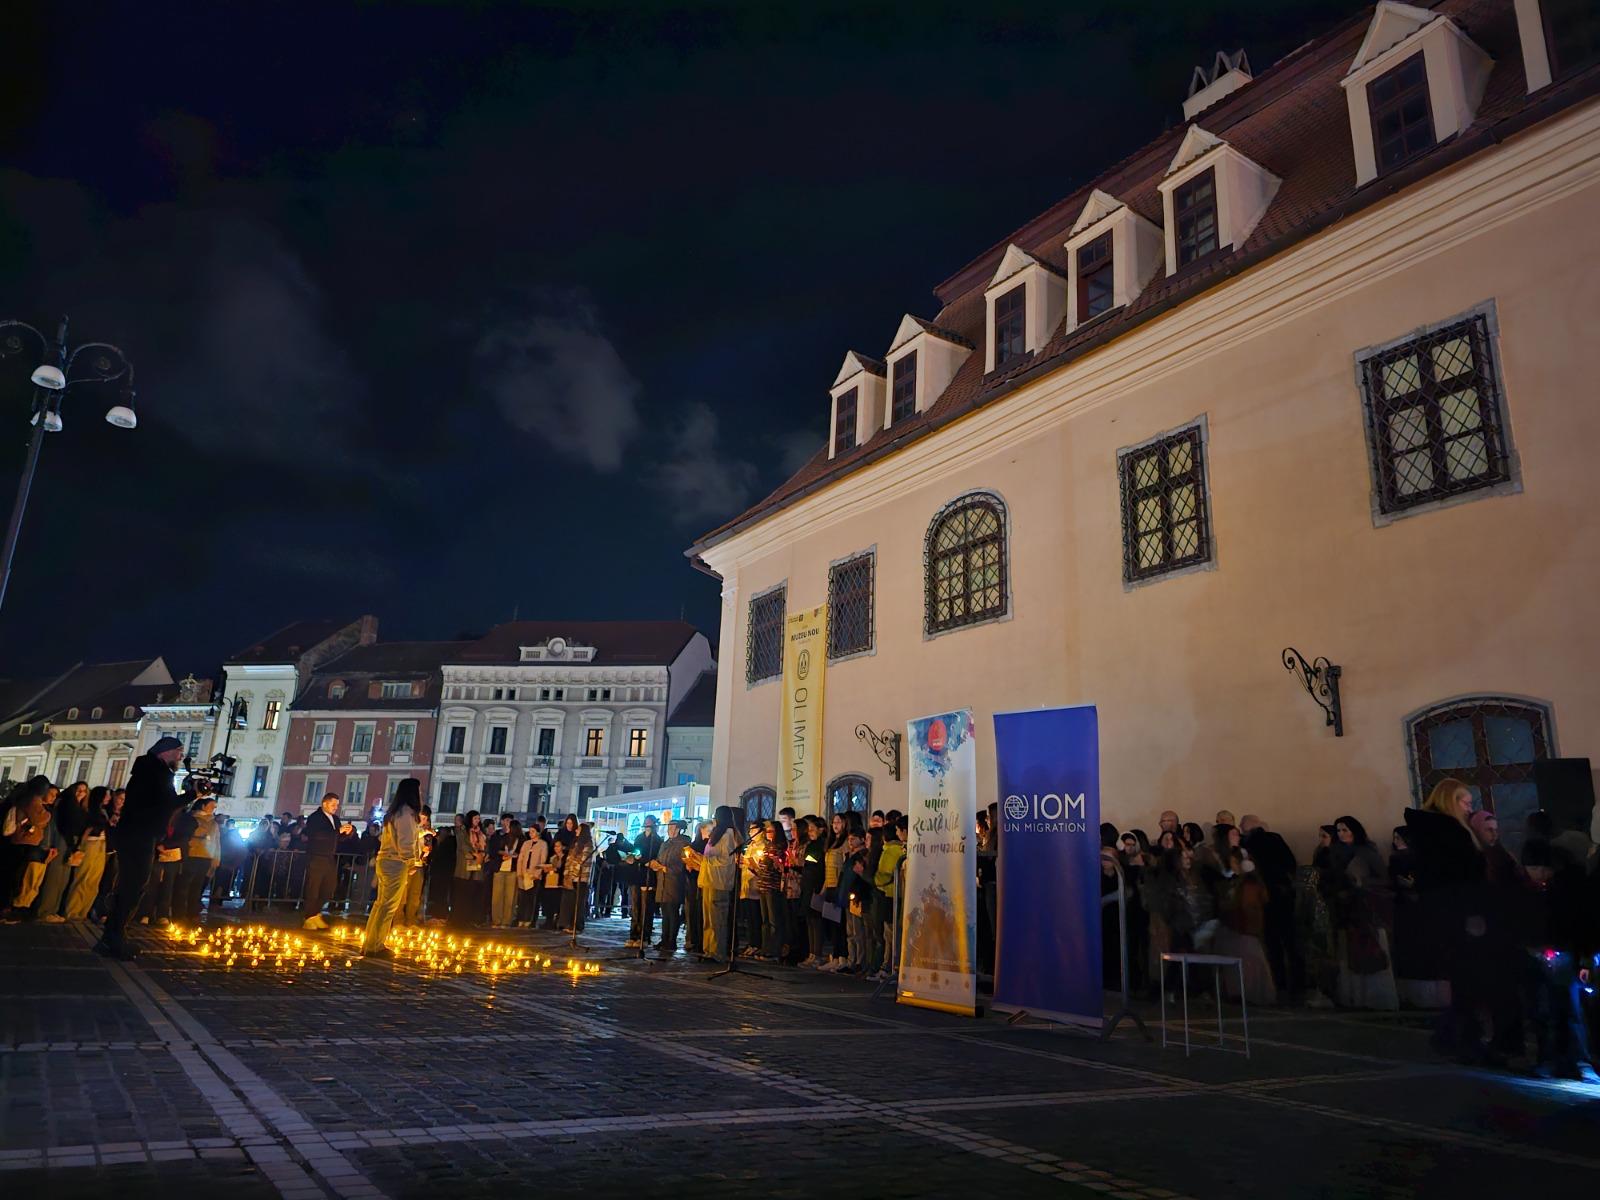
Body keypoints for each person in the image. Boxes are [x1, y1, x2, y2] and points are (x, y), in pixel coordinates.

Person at [96, 737, 185, 958]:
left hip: (137, 833)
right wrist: (193, 794)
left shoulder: (149, 770)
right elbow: (167, 804)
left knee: (131, 886)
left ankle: (112, 936)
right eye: (178, 751)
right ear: (165, 752)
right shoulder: (157, 773)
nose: (180, 757)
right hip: (139, 834)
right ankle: (115, 937)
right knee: (133, 887)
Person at [1328, 816, 1398, 1010]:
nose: (1341, 834)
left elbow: (1383, 878)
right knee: (1348, 951)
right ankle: (1353, 995)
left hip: (1367, 908)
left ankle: (1374, 996)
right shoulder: (1335, 852)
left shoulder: (1366, 852)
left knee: (1368, 948)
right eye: (1338, 830)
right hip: (1344, 908)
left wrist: (1362, 883)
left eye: (1345, 830)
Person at [1239, 815, 1300, 1001]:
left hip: (1263, 896)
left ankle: (1279, 984)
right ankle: (1298, 985)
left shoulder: (1247, 844)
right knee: (1291, 941)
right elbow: (1291, 863)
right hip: (1283, 894)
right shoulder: (1275, 839)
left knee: (1272, 942)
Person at [361, 778, 423, 958]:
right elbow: (406, 841)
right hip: (395, 862)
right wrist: (411, 862)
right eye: (419, 791)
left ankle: (371, 942)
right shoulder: (406, 813)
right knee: (388, 906)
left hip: (386, 859)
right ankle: (375, 945)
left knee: (381, 904)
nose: (421, 795)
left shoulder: (395, 812)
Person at [36, 781, 90, 921]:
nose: (81, 793)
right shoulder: (66, 804)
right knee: (55, 876)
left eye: (84, 791)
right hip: (63, 840)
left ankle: (53, 910)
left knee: (63, 878)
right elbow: (64, 826)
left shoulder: (80, 807)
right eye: (78, 789)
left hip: (71, 842)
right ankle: (45, 911)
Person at [302, 793, 351, 930]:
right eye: (333, 804)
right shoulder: (315, 818)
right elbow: (317, 835)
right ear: (325, 803)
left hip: (329, 857)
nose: (336, 807)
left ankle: (315, 913)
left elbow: (337, 837)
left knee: (329, 887)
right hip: (316, 856)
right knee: (313, 887)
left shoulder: (335, 819)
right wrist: (337, 831)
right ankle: (309, 917)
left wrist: (347, 833)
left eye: (337, 805)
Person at [63, 787, 111, 921]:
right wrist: (80, 847)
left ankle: (83, 912)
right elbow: (86, 830)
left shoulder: (103, 811)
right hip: (91, 844)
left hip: (101, 844)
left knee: (94, 881)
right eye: (106, 795)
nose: (109, 798)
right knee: (83, 877)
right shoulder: (89, 811)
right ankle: (72, 911)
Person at [699, 806, 742, 961]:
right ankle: (708, 949)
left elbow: (726, 860)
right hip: (709, 880)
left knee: (717, 919)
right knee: (708, 919)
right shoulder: (717, 835)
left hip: (719, 882)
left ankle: (717, 952)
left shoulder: (728, 835)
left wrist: (706, 860)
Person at [650, 819, 692, 955]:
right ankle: (664, 939)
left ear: (678, 829)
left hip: (674, 882)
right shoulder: (665, 843)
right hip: (662, 881)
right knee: (665, 912)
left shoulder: (683, 844)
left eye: (672, 828)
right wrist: (655, 864)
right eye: (668, 828)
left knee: (672, 912)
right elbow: (660, 858)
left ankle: (671, 940)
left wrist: (666, 868)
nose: (670, 831)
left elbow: (682, 864)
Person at [626, 815, 663, 948]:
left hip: (649, 876)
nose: (647, 825)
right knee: (635, 907)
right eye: (645, 822)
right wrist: (633, 857)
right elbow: (635, 851)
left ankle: (644, 936)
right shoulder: (639, 838)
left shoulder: (657, 840)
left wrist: (646, 861)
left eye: (649, 823)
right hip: (637, 874)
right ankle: (633, 934)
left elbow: (656, 857)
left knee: (646, 908)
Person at [450, 811, 486, 929]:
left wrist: (482, 854)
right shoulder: (463, 831)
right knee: (462, 894)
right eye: (475, 818)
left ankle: (470, 919)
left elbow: (484, 845)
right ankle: (459, 920)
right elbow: (462, 846)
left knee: (472, 894)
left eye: (478, 819)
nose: (477, 821)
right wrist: (474, 854)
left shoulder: (480, 833)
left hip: (476, 867)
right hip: (465, 866)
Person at [559, 823, 595, 932]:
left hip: (581, 878)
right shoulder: (575, 844)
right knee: (571, 902)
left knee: (579, 903)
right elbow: (569, 859)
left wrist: (574, 874)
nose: (576, 831)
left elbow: (582, 861)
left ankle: (578, 925)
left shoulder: (588, 844)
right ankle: (569, 924)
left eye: (578, 829)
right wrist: (567, 874)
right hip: (572, 877)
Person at [489, 817, 523, 928]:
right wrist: (502, 855)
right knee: (497, 896)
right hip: (500, 868)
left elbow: (522, 854)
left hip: (512, 870)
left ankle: (507, 920)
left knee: (510, 897)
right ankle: (496, 920)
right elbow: (494, 851)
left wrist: (516, 855)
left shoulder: (520, 840)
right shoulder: (501, 837)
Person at [514, 821, 549, 927]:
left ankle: (529, 919)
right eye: (530, 832)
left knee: (531, 899)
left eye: (533, 831)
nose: (531, 834)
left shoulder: (542, 844)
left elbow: (542, 860)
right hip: (524, 873)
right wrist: (519, 872)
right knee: (522, 898)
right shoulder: (526, 843)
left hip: (534, 875)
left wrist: (537, 874)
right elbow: (521, 859)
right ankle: (521, 918)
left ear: (538, 832)